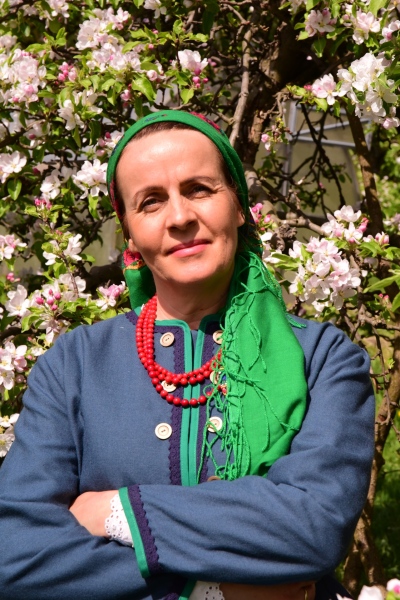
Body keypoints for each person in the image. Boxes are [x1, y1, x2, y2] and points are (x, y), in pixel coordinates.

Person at [0, 110, 375, 600]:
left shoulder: (324, 357)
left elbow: (313, 527)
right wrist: (210, 591)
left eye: (199, 189)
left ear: (238, 206)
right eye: (150, 202)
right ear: (130, 232)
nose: (179, 218)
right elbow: (16, 555)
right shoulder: (75, 365)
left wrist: (119, 512)